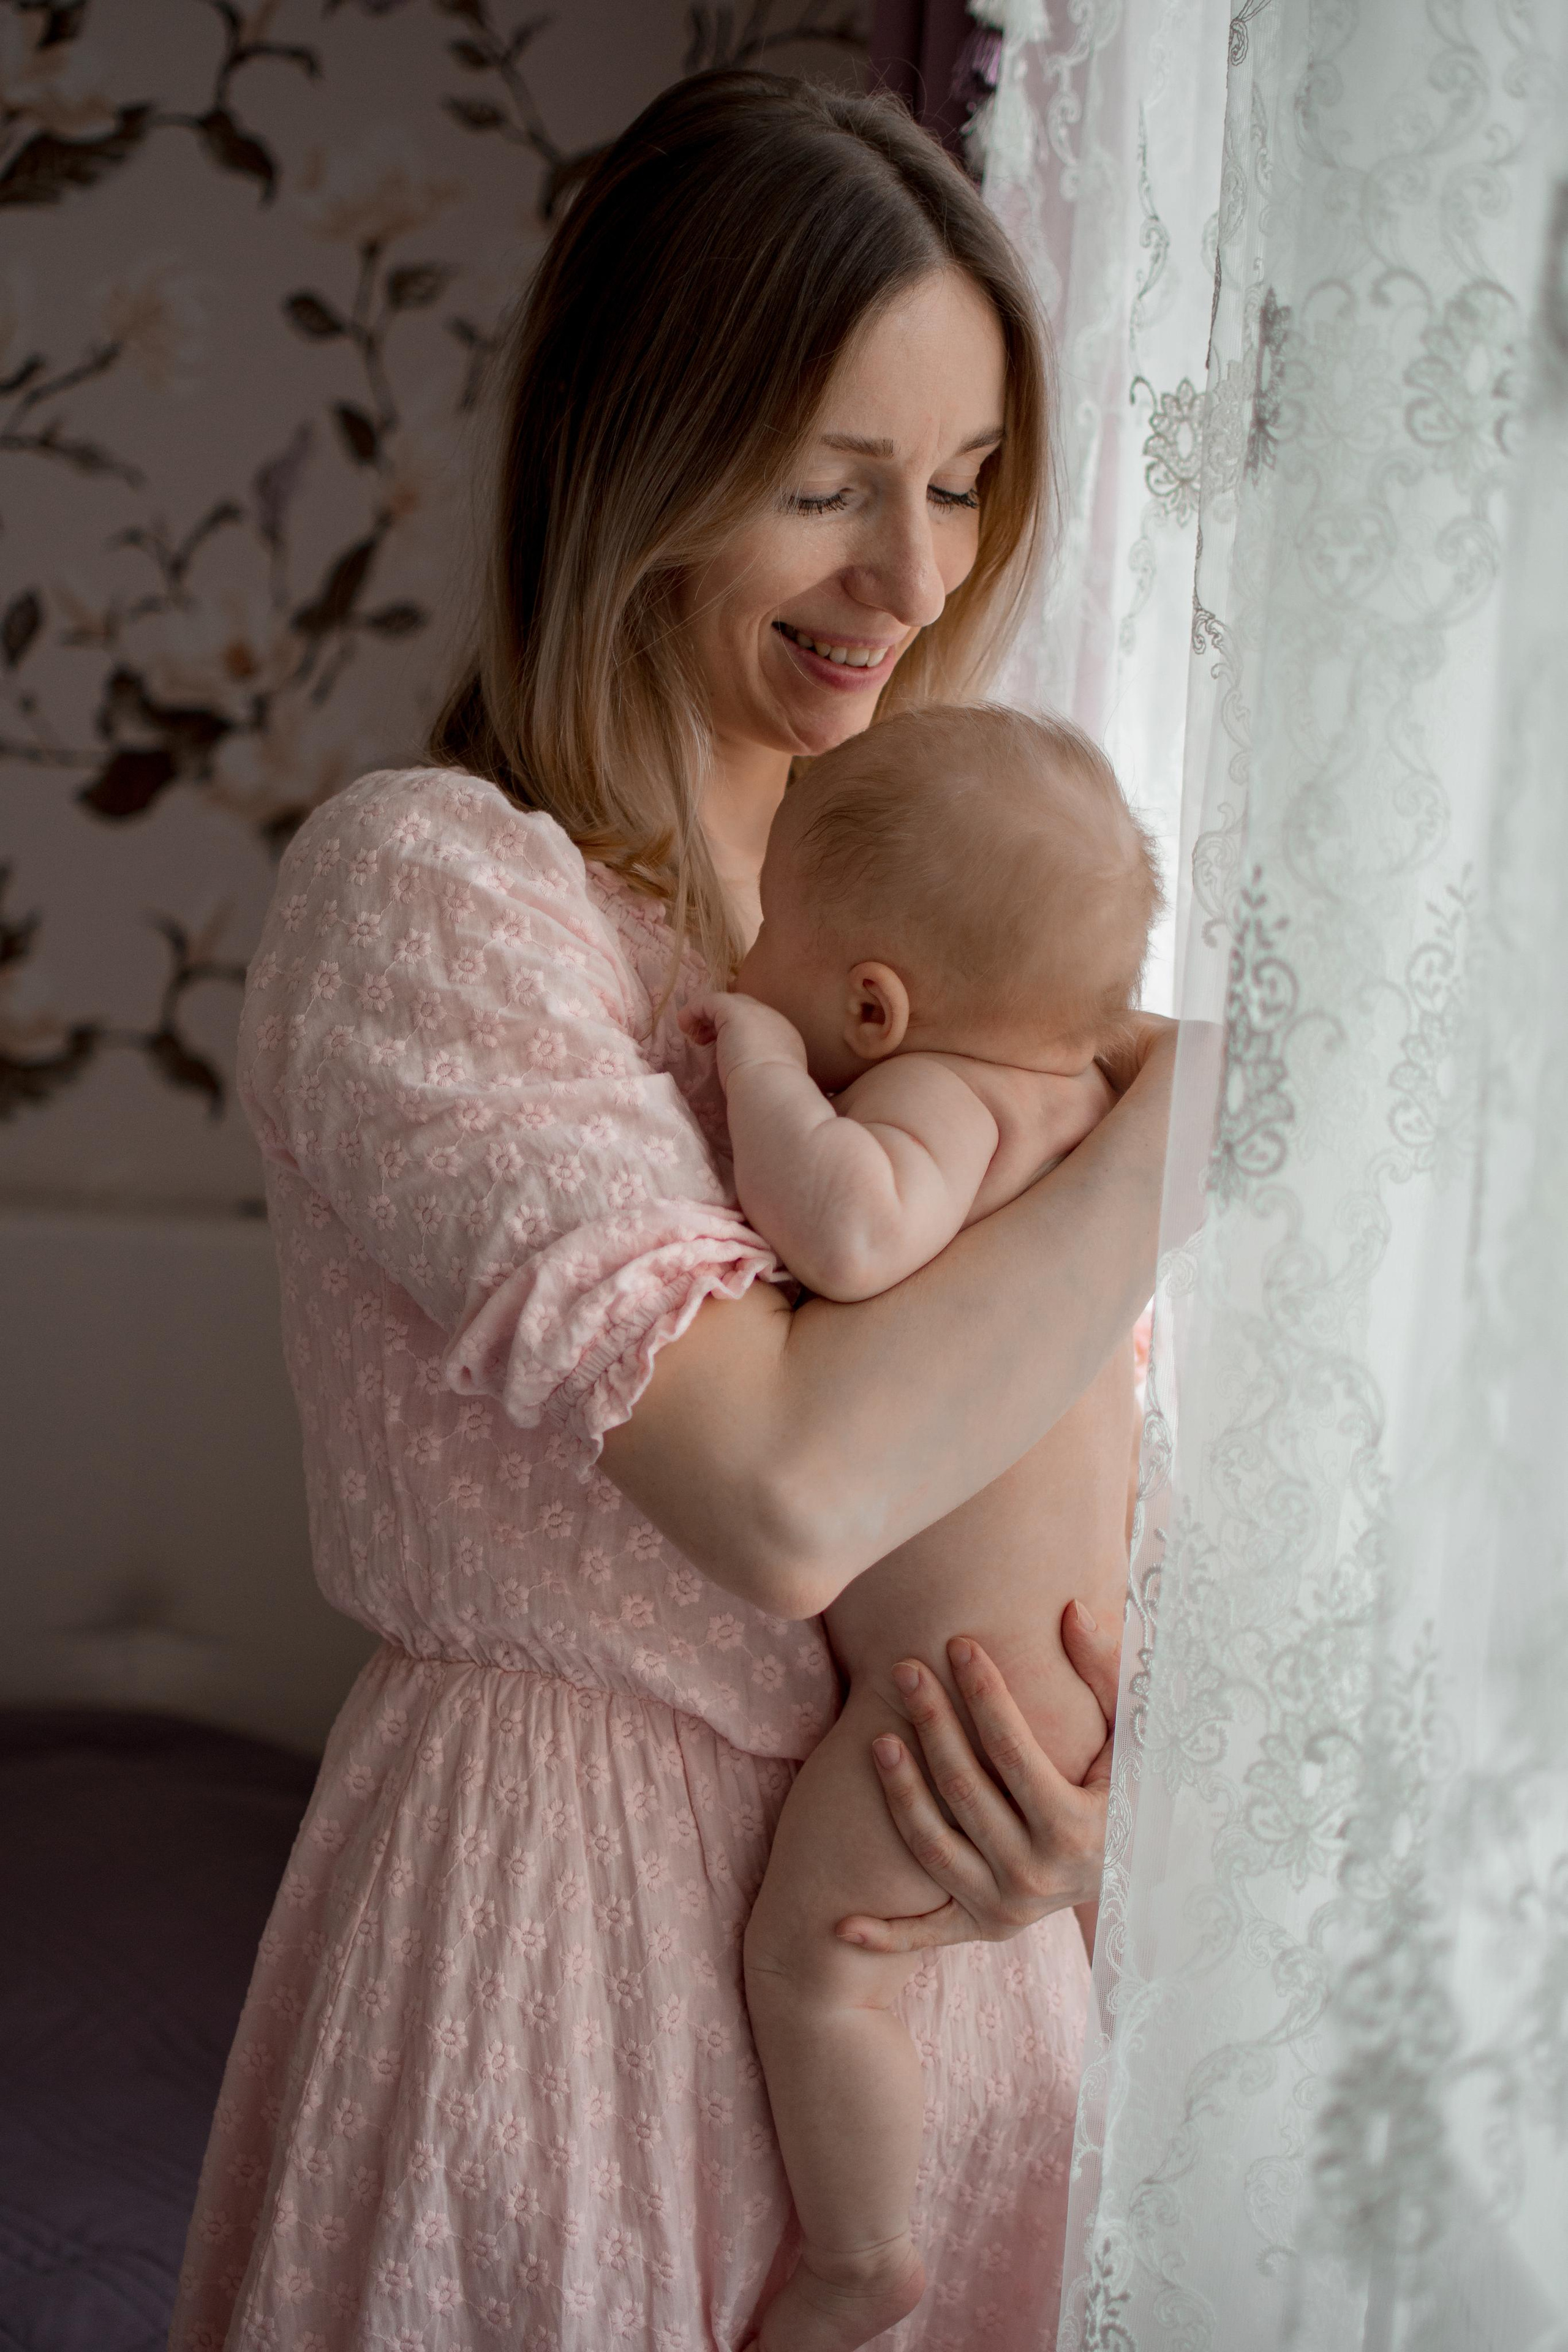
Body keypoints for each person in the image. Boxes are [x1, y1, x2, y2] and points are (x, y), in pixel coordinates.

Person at [169, 70, 1174, 2352]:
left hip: (945, 1984)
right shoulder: (443, 895)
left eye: (960, 484)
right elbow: (792, 1494)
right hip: (558, 1944)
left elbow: (1079, 1506)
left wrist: (1087, 1828)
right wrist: (1176, 1138)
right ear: (640, 467)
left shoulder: (962, 965)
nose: (913, 580)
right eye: (828, 486)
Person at [680, 703, 1159, 2350]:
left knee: (819, 1967)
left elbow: (859, 1229)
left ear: (874, 1001)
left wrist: (749, 1059)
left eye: (781, 952)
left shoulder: (944, 1101)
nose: (762, 973)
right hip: (1070, 1688)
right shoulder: (1091, 1111)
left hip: (945, 1708)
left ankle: (859, 2257)